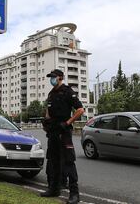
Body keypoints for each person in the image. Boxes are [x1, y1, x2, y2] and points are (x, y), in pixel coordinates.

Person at [41, 69, 85, 204]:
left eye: (53, 77)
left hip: (64, 131)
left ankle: (74, 194)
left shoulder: (67, 91)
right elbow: (48, 112)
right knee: (53, 161)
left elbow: (80, 110)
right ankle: (54, 189)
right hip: (53, 132)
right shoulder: (51, 94)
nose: (51, 79)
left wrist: (67, 123)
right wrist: (46, 122)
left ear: (60, 77)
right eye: (50, 77)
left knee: (68, 161)